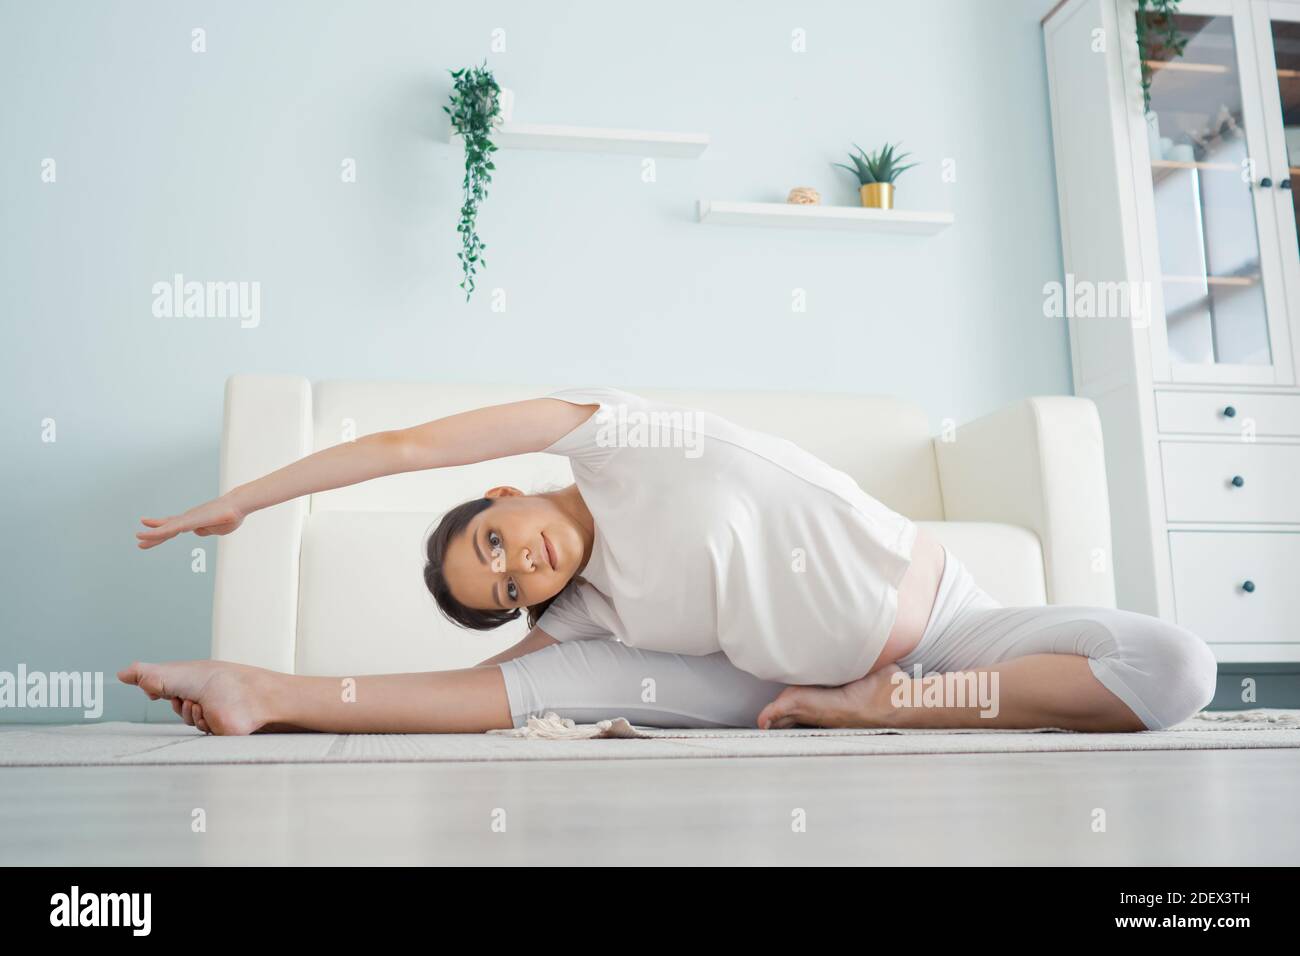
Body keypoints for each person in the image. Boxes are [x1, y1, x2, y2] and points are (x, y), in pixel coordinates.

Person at [123, 386, 1218, 736]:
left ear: (504, 493)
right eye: (508, 587)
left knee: (1172, 670)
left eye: (496, 541)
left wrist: (240, 500)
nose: (521, 564)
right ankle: (263, 690)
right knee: (507, 695)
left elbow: (406, 447)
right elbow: (476, 689)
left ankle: (881, 708)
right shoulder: (590, 609)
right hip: (757, 672)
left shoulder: (607, 435)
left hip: (946, 624)